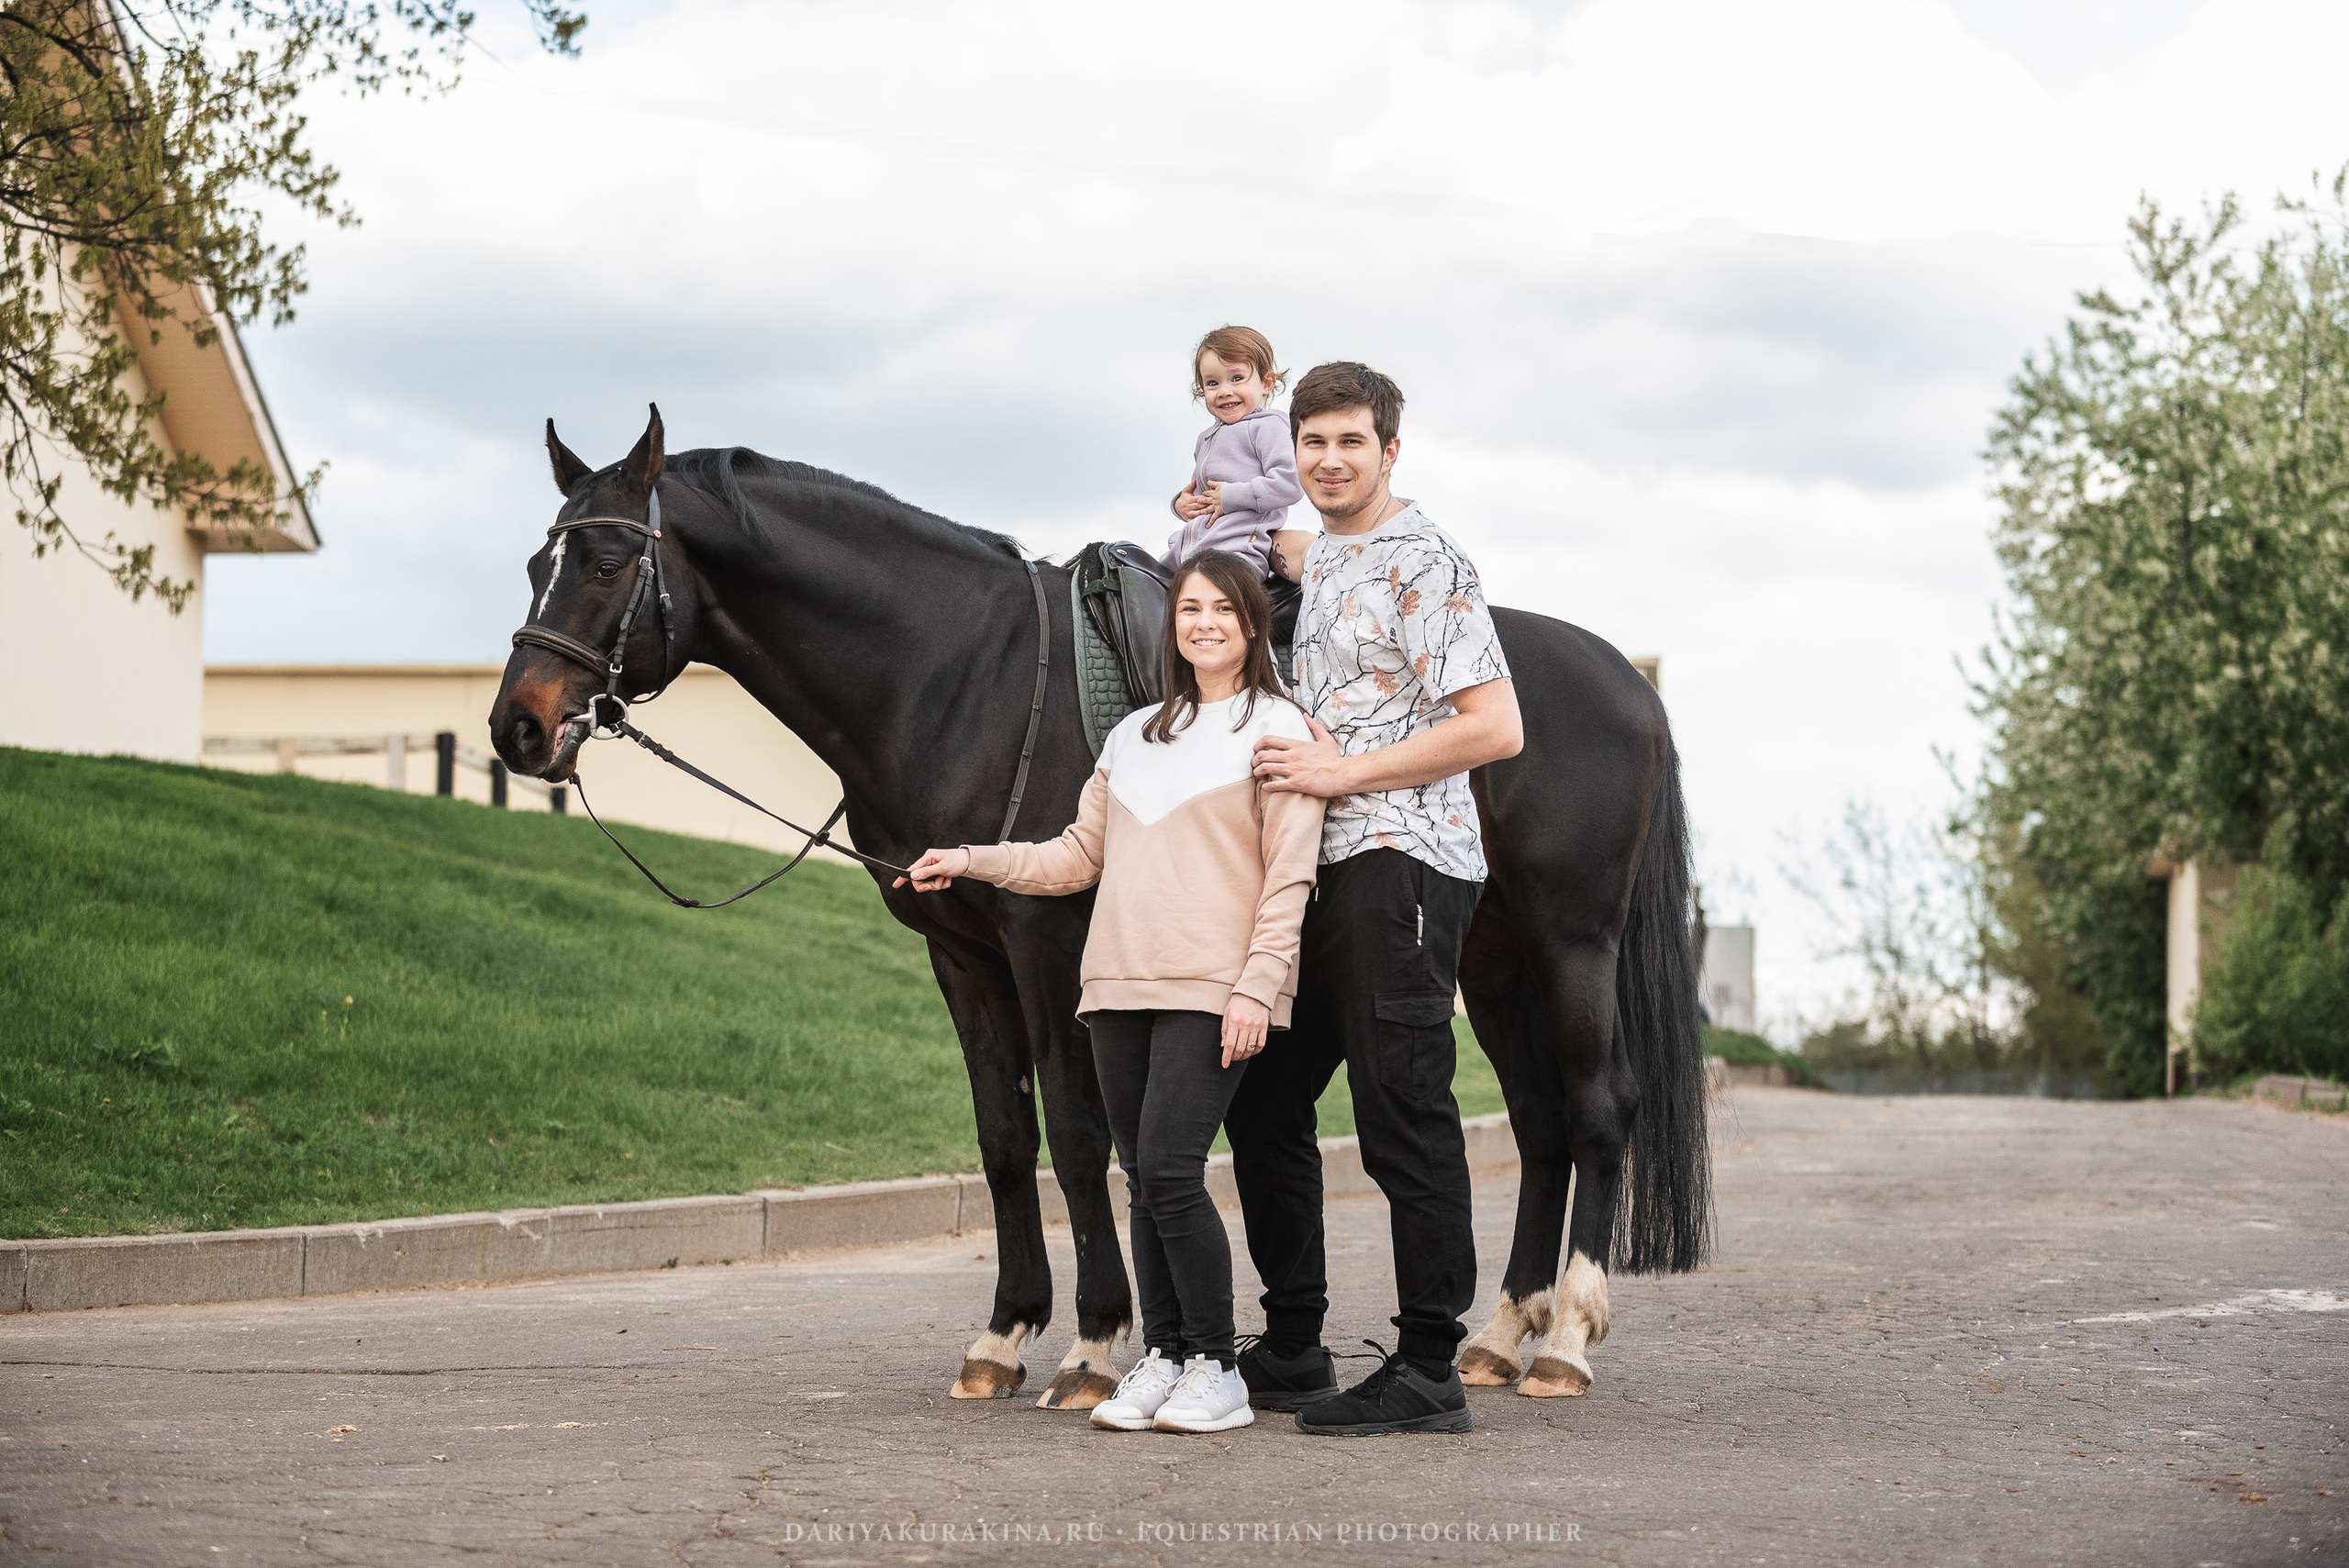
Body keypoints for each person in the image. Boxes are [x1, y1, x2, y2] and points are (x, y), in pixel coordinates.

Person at [897, 550, 1326, 1436]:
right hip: (1117, 988)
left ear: (1253, 625)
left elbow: (1289, 879)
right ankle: (1163, 1353)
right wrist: (971, 858)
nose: (1204, 622)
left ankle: (1215, 1364)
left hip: (1214, 987)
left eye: (1223, 609)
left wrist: (1259, 987)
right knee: (1141, 1180)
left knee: (1170, 1169)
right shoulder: (1133, 735)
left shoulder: (1281, 729)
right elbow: (1071, 858)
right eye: (1190, 609)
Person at [1231, 361, 1525, 1437]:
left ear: (1389, 450)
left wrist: (1338, 772)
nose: (1329, 459)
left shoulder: (1426, 559)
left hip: (1401, 857)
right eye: (1312, 442)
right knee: (1263, 1098)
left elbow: (1495, 726)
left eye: (1351, 441)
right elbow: (1289, 539)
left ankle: (1429, 1367)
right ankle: (1295, 1343)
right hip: (1321, 864)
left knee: (1403, 1111)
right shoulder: (1331, 550)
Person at [1163, 326, 1302, 580]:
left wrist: (1229, 496)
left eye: (1237, 378)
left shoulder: (1268, 426)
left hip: (1237, 551)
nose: (1225, 391)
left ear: (1267, 382)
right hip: (1192, 547)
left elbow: (1290, 483)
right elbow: (1204, 494)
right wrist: (1182, 504)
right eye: (1213, 383)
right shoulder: (1206, 438)